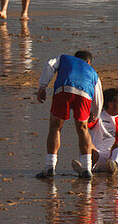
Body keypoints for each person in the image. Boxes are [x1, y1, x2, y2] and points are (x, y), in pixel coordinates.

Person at [35, 50, 103, 179]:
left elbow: (50, 65)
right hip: (85, 94)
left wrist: (42, 87)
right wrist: (95, 114)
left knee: (55, 127)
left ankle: (49, 167)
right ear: (89, 62)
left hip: (64, 88)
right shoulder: (93, 72)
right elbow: (98, 95)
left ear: (75, 57)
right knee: (83, 129)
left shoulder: (64, 58)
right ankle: (86, 169)